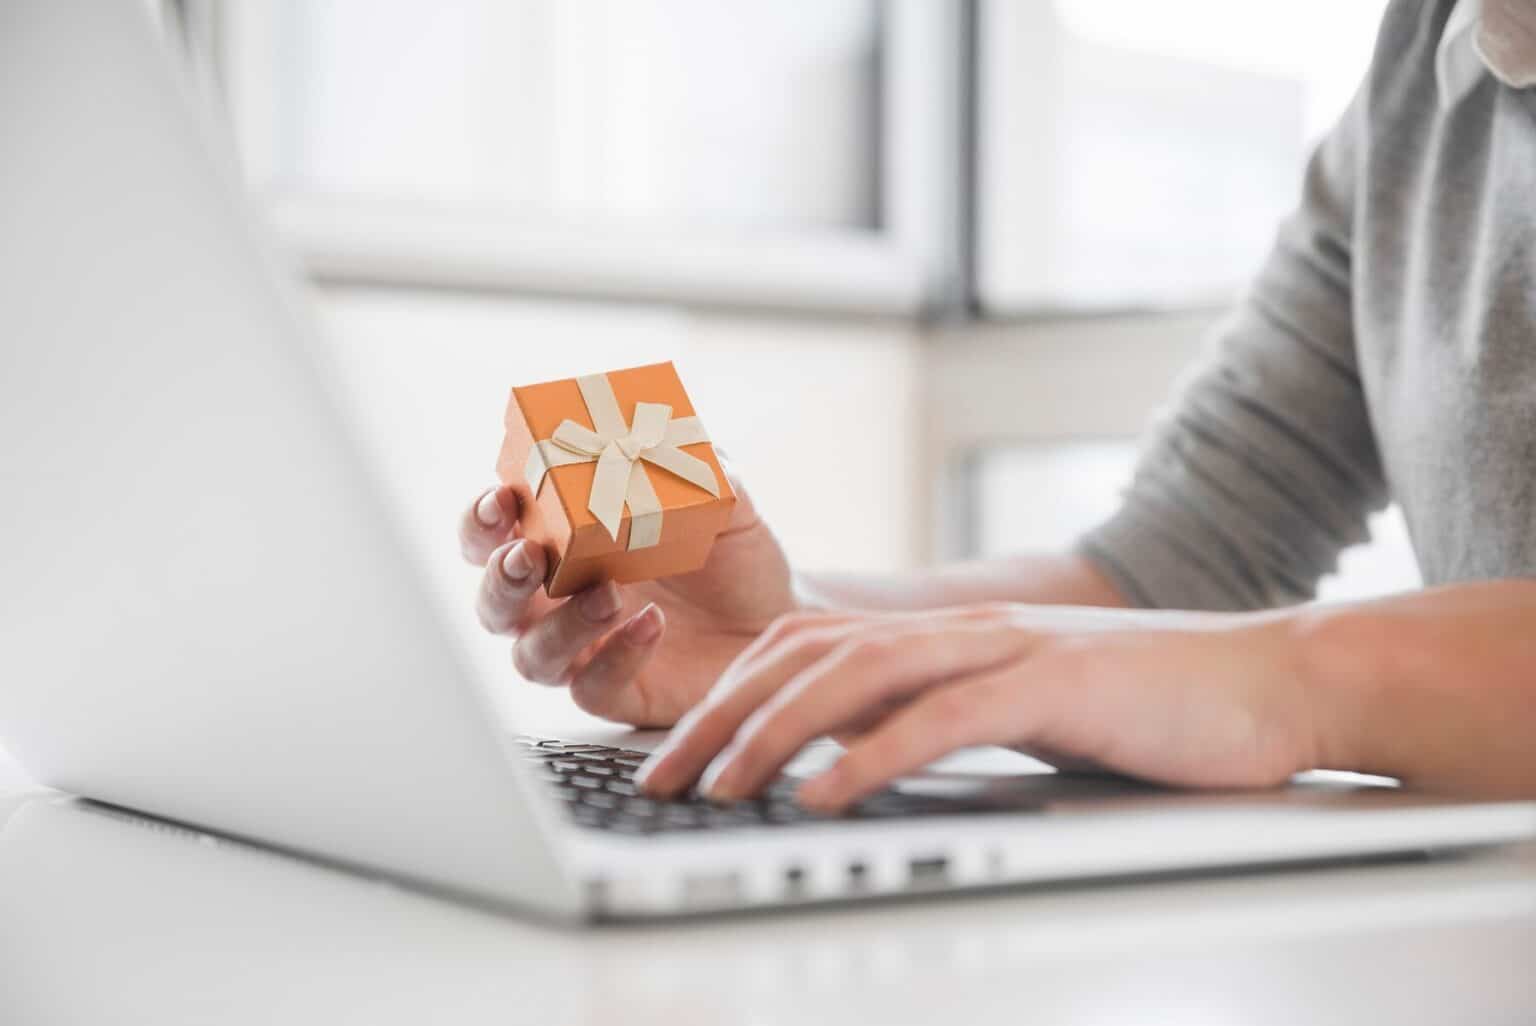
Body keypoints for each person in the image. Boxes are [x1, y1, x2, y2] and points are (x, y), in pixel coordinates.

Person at [459, 0, 1536, 812]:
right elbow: (1177, 569)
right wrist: (786, 631)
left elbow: (1211, 653)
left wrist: (1291, 684)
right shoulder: (1424, 70)